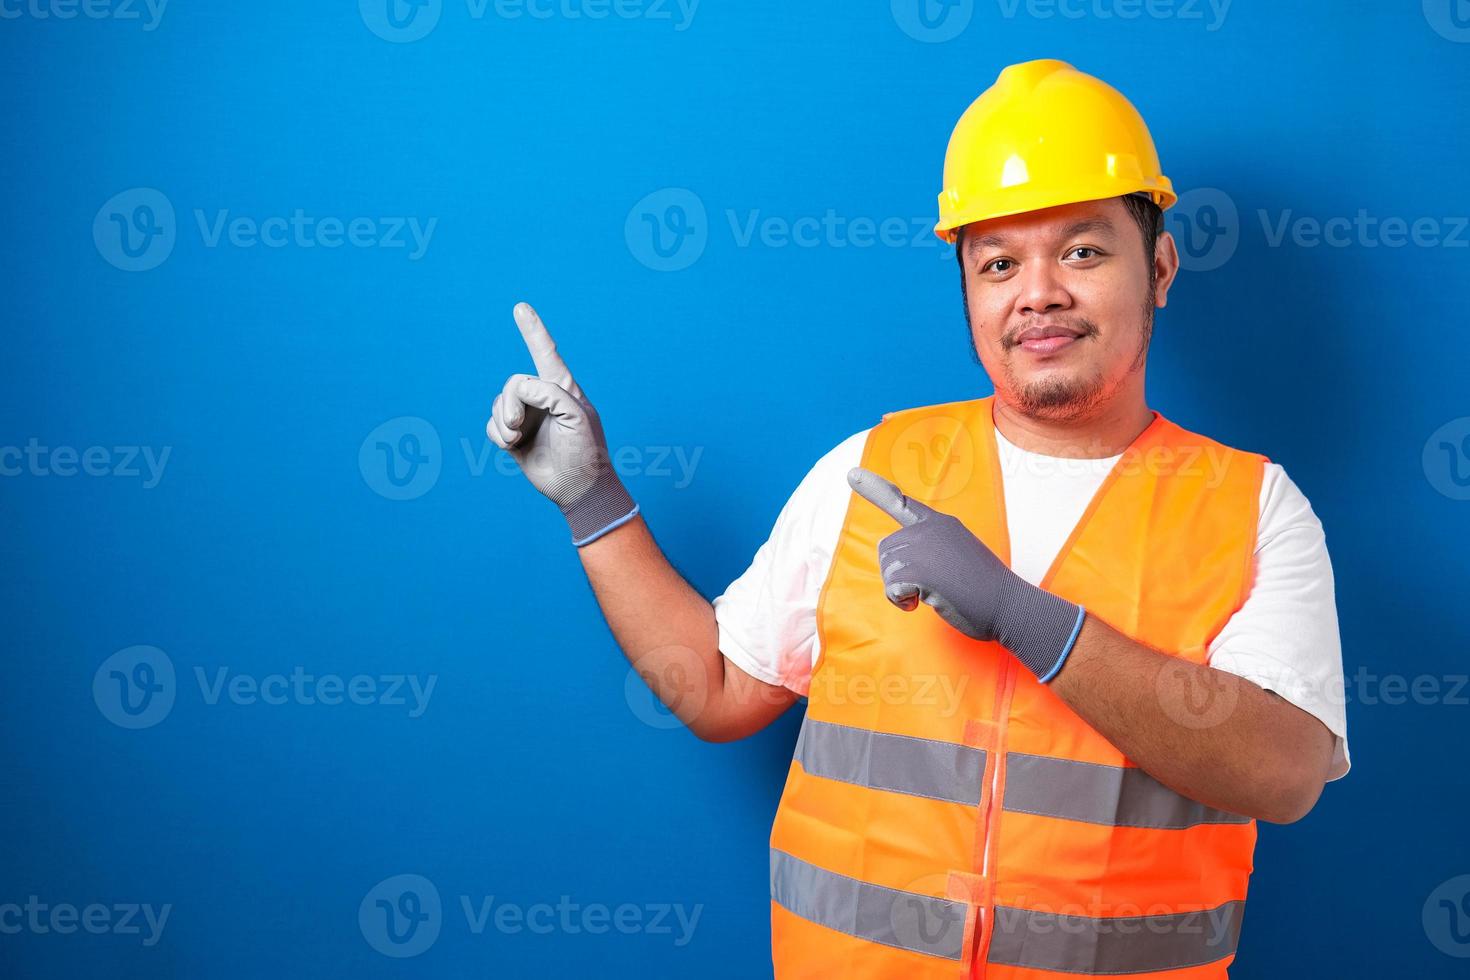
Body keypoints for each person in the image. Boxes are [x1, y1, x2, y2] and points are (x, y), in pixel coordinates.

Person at [486, 58, 1349, 978]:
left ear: (1161, 268)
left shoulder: (1252, 506)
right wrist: (595, 501)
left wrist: (1025, 618)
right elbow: (716, 690)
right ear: (969, 291)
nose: (1039, 292)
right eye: (999, 263)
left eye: (1084, 251)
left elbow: (1285, 773)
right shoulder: (869, 472)